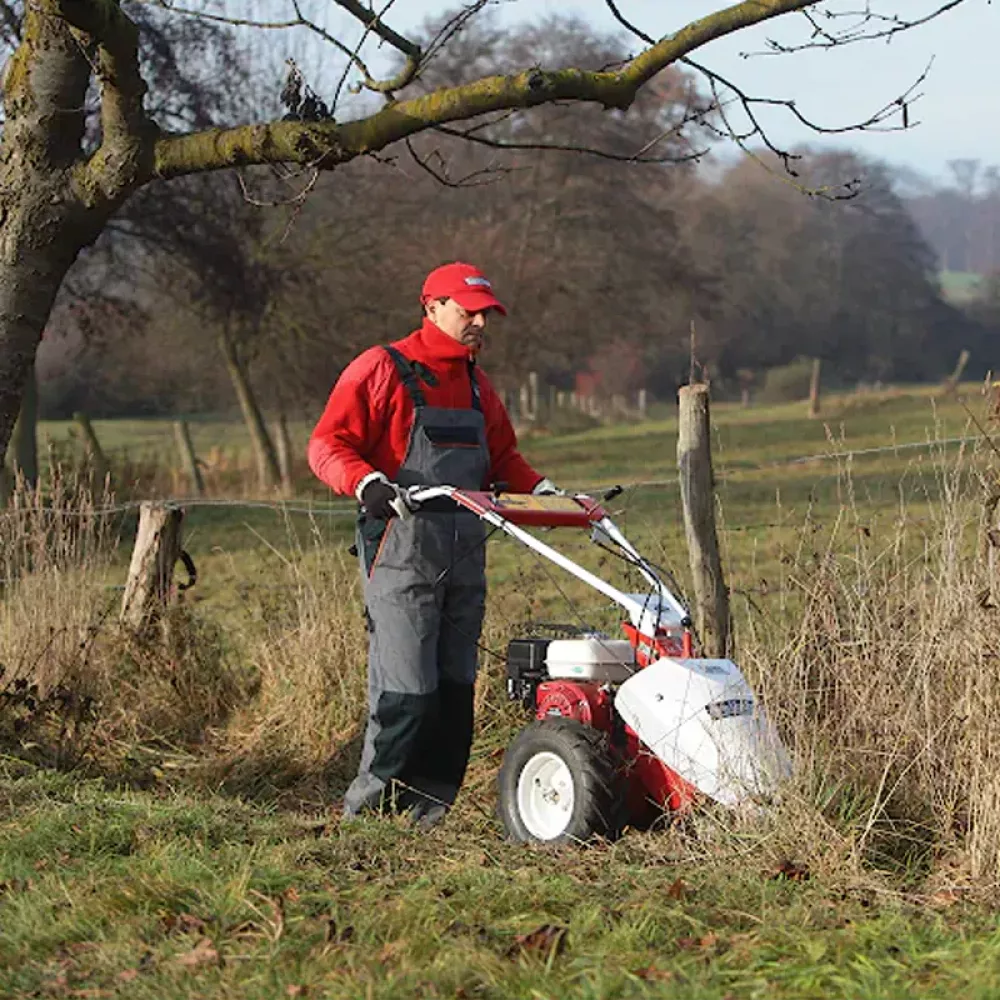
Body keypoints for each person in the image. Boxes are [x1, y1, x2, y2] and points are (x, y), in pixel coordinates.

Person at [308, 261, 557, 824]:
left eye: (487, 315)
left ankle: (426, 816)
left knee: (453, 692)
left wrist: (546, 493)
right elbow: (326, 444)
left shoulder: (477, 386)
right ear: (432, 308)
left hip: (466, 556)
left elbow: (504, 460)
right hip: (402, 552)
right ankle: (370, 816)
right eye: (468, 312)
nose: (480, 324)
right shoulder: (382, 368)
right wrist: (366, 482)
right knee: (407, 692)